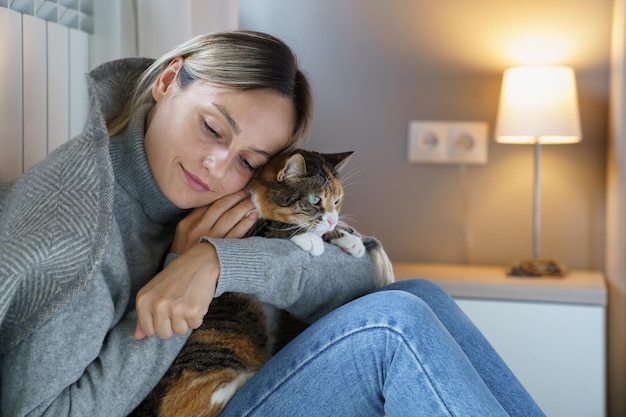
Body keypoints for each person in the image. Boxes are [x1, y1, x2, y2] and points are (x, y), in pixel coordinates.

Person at [0, 30, 545, 416]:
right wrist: (173, 301)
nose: (218, 167)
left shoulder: (203, 202)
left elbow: (368, 277)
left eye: (248, 160)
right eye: (212, 128)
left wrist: (217, 261)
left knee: (420, 296)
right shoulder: (77, 230)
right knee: (390, 328)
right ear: (169, 81)